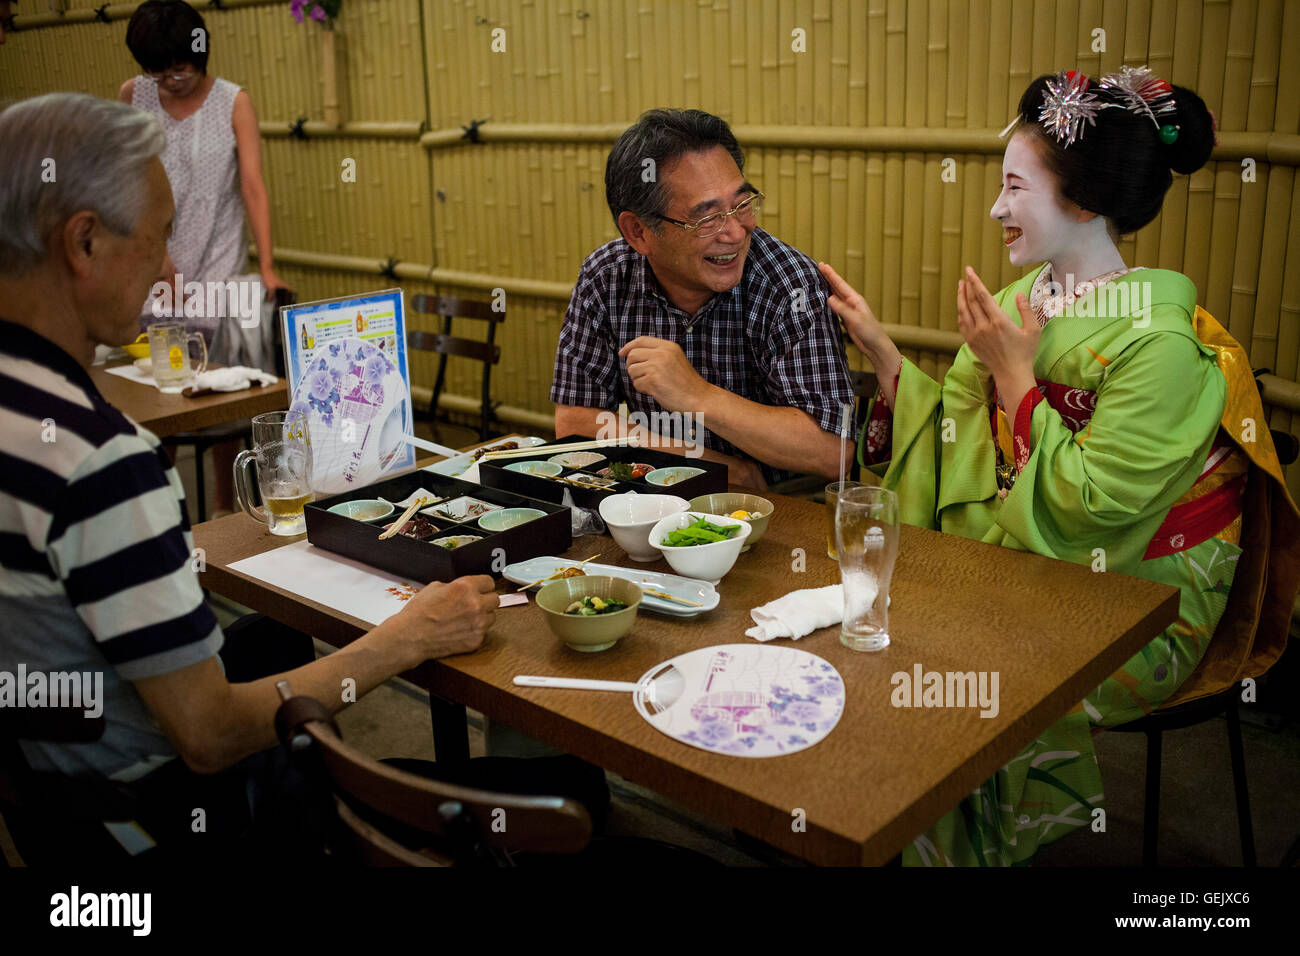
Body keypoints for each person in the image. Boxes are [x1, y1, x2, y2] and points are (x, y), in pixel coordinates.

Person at [0, 93, 604, 862]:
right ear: (83, 243)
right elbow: (212, 737)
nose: (171, 268)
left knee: (274, 633)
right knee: (570, 793)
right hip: (168, 825)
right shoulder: (100, 462)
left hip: (55, 808)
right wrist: (405, 639)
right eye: (157, 239)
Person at [819, 68, 1298, 865]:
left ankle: (954, 848)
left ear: (1081, 200)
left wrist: (1014, 378)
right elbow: (957, 434)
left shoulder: (1162, 341)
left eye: (1015, 188)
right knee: (891, 643)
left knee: (970, 688)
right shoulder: (1021, 301)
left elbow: (1097, 505)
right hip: (1028, 556)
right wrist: (888, 357)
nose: (999, 209)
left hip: (1143, 585)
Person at [550, 108, 855, 490]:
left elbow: (833, 451)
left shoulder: (788, 283)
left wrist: (695, 394)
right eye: (706, 218)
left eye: (742, 204)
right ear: (638, 232)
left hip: (779, 509)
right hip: (657, 499)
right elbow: (576, 423)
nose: (736, 232)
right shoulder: (607, 276)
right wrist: (714, 467)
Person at [119, 0, 287, 516]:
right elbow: (127, 179)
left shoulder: (233, 101)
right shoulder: (133, 96)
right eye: (158, 69)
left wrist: (266, 267)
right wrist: (155, 254)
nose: (170, 78)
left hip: (219, 270)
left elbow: (253, 187)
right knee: (158, 408)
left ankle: (225, 513)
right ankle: (159, 514)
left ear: (200, 50)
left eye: (180, 66)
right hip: (157, 273)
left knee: (221, 409)